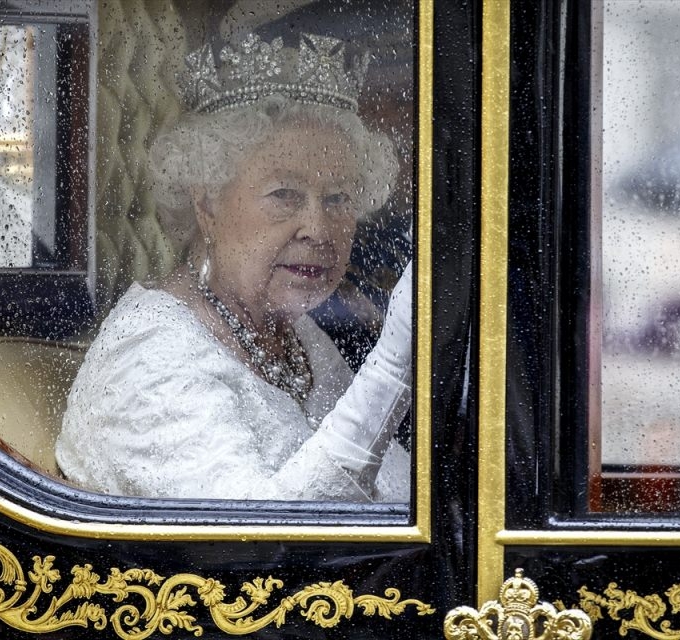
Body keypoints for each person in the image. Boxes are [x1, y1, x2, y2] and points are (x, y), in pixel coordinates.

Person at [56, 32, 413, 502]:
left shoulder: (298, 334)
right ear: (206, 203)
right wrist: (396, 359)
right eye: (284, 194)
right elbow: (263, 543)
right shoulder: (153, 357)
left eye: (337, 198)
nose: (319, 229)